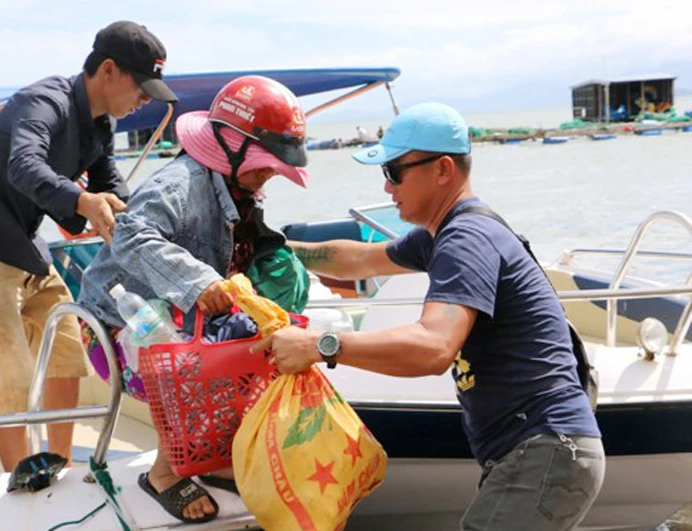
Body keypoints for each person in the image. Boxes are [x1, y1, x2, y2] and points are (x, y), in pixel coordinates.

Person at [253, 102, 605, 531]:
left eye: (394, 172)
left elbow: (434, 347)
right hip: (542, 451)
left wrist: (318, 346)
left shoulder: (465, 239)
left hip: (545, 448)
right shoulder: (445, 234)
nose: (387, 187)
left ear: (442, 170)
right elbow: (359, 261)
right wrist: (271, 249)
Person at [0, 20, 178, 472]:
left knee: (68, 349)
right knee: (12, 373)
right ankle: (17, 480)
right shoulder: (43, 101)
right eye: (141, 89)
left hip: (24, 248)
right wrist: (82, 201)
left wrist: (152, 224)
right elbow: (23, 166)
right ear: (108, 70)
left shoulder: (99, 128)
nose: (144, 100)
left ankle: (60, 467)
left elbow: (114, 188)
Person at [77, 75, 309, 523]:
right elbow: (131, 234)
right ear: (231, 147)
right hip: (115, 330)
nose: (270, 174)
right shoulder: (177, 185)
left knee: (264, 350)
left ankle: (215, 459)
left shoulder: (240, 188)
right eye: (265, 164)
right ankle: (163, 474)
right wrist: (198, 282)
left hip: (173, 321)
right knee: (209, 364)